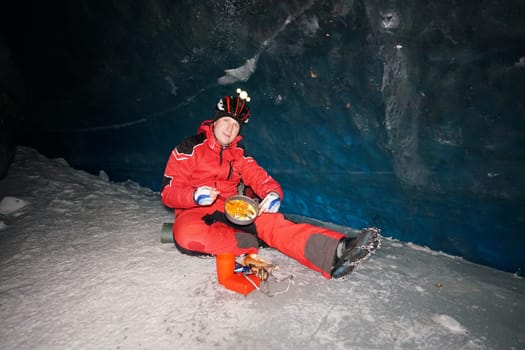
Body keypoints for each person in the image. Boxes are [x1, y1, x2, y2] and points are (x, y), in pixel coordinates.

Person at [160, 88, 380, 279]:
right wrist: (194, 195)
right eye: (226, 121)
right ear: (215, 121)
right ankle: (249, 242)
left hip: (233, 208)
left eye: (236, 126)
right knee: (187, 236)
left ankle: (338, 250)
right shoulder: (190, 148)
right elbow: (169, 192)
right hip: (195, 210)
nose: (230, 129)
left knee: (272, 223)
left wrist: (273, 193)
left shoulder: (239, 155)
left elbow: (260, 178)